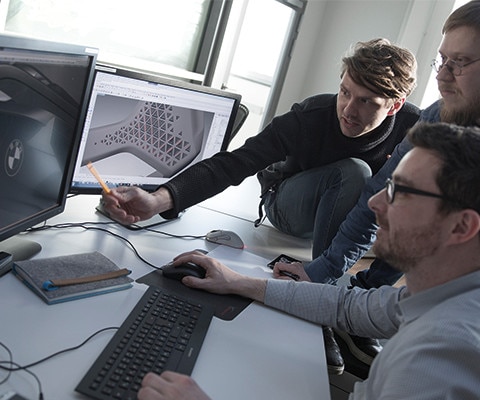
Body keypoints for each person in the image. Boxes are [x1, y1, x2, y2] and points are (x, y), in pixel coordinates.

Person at [101, 38, 419, 373]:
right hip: (289, 206)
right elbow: (233, 163)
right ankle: (321, 305)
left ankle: (361, 301)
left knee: (419, 195)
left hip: (349, 215)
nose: (348, 109)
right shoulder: (310, 116)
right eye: (345, 92)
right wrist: (158, 199)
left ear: (395, 106)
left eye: (366, 101)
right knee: (353, 172)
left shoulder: (414, 127)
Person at [137, 122, 480, 400]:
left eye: (399, 192)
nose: (374, 203)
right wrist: (237, 282)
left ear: (461, 226)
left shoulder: (436, 357)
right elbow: (347, 307)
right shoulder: (443, 296)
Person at [273, 0, 480, 363]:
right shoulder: (437, 116)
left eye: (459, 62)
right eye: (442, 60)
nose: (443, 76)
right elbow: (384, 195)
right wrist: (328, 275)